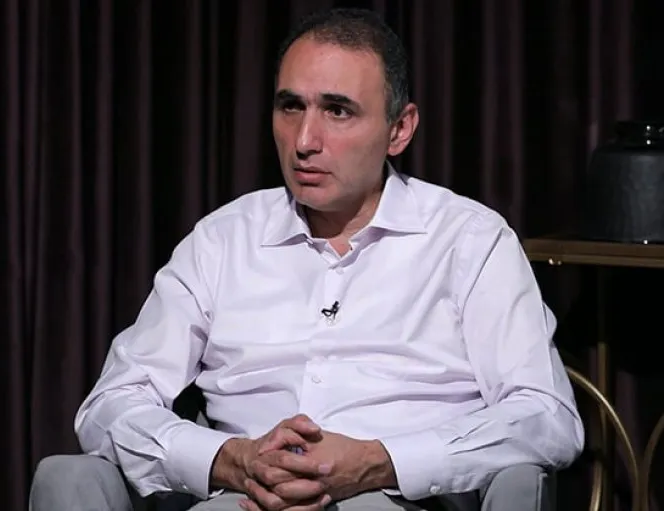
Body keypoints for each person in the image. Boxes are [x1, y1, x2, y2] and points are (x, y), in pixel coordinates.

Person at [30, 7, 584, 511]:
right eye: (290, 107)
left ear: (399, 129)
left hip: (397, 500)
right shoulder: (223, 240)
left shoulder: (469, 241)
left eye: (338, 111)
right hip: (238, 499)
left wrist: (380, 462)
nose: (304, 140)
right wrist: (227, 459)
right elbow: (111, 403)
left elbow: (546, 417)